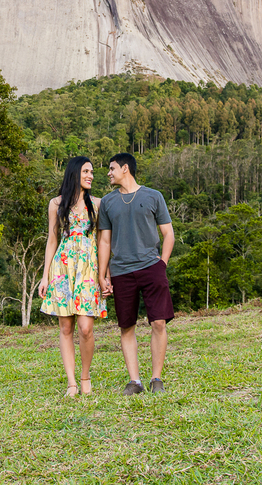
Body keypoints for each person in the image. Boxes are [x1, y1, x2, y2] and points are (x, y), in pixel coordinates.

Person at [97, 152, 175, 395]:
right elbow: (105, 241)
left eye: (112, 168)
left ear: (125, 168)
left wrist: (162, 263)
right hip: (121, 271)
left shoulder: (153, 196)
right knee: (126, 325)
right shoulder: (107, 202)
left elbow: (168, 234)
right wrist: (103, 275)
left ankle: (156, 379)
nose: (108, 173)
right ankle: (135, 381)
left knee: (159, 322)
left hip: (152, 267)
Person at [38, 156, 106, 396]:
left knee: (85, 328)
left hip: (88, 267)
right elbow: (52, 240)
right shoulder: (56, 203)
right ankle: (72, 383)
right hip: (62, 268)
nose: (90, 176)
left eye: (92, 172)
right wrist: (45, 276)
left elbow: (103, 240)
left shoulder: (98, 203)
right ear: (74, 173)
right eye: (86, 171)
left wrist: (105, 274)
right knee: (66, 328)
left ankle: (85, 377)